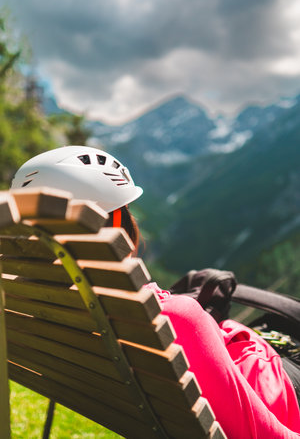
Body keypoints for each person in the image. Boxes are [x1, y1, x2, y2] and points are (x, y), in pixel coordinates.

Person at [12, 145, 300, 438]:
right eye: (125, 212)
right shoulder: (169, 318)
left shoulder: (23, 301)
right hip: (272, 386)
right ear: (114, 225)